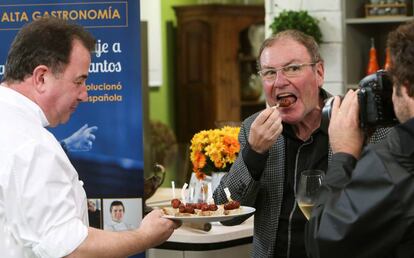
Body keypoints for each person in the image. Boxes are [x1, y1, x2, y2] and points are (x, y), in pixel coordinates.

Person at [0, 17, 179, 258]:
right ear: (41, 77)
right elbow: (71, 249)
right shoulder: (33, 145)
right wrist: (144, 236)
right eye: (79, 81)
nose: (85, 95)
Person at [213, 29, 389, 258]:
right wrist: (253, 153)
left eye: (293, 68)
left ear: (319, 72)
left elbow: (382, 216)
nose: (279, 82)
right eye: (269, 72)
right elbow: (226, 214)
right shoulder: (253, 128)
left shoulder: (360, 124)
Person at [305, 21, 414, 258]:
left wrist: (343, 154)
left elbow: (325, 245)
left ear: (406, 88)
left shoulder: (394, 165)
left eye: (392, 85)